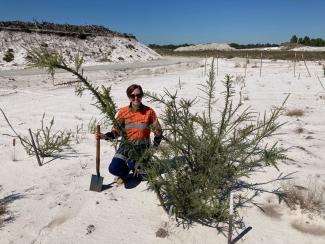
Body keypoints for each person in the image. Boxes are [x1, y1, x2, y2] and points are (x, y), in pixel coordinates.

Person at [96, 84, 162, 185]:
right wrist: (104, 136)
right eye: (132, 96)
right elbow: (116, 132)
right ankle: (125, 173)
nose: (136, 98)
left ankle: (145, 166)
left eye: (138, 95)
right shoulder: (123, 112)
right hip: (125, 146)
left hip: (142, 148)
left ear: (142, 96)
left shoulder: (149, 112)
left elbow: (158, 132)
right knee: (114, 169)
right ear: (129, 97)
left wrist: (153, 149)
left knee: (139, 173)